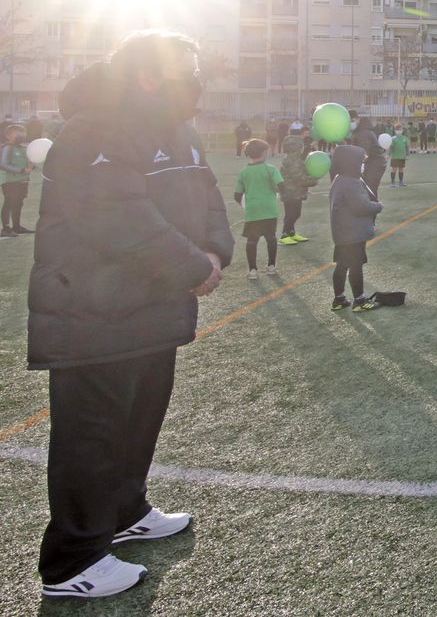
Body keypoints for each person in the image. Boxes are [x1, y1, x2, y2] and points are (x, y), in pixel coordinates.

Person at [29, 31, 232, 599]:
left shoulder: (180, 130)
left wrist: (215, 252)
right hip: (94, 310)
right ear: (148, 75)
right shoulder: (95, 125)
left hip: (155, 305)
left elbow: (208, 196)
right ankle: (72, 561)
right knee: (91, 435)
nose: (197, 80)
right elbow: (116, 216)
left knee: (140, 418)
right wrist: (193, 265)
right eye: (187, 70)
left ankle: (125, 510)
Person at [329, 144, 382, 312]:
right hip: (353, 234)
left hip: (342, 233)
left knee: (342, 265)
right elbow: (361, 207)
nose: (363, 165)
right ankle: (359, 300)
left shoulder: (339, 179)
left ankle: (338, 299)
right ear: (352, 163)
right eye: (361, 161)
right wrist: (377, 206)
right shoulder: (351, 183)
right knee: (355, 265)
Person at [233, 139, 283, 280]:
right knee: (271, 238)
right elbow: (281, 186)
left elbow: (237, 195)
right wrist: (275, 194)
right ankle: (271, 266)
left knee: (252, 240)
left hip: (253, 211)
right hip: (269, 210)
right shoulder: (271, 169)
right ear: (264, 152)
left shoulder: (244, 172)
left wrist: (246, 205)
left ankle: (253, 270)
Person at [278, 134, 316, 246]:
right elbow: (299, 177)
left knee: (294, 213)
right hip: (290, 192)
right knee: (292, 214)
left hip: (295, 192)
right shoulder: (292, 161)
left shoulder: (294, 159)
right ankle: (284, 235)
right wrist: (313, 180)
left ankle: (291, 233)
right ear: (296, 147)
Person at [1, 122, 34, 236]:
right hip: (10, 181)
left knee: (19, 203)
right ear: (8, 136)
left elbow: (28, 163)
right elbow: (3, 164)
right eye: (17, 133)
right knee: (9, 203)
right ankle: (5, 229)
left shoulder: (23, 148)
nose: (21, 135)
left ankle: (17, 226)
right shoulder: (7, 147)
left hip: (23, 181)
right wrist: (21, 170)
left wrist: (31, 166)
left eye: (22, 133)